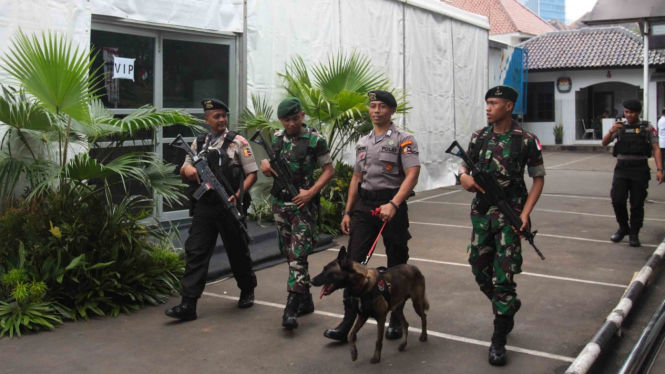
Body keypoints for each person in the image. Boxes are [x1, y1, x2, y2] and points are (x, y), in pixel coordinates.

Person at [323, 90, 420, 343]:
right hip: (365, 208)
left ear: (392, 111)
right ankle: (347, 323)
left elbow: (412, 174)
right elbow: (357, 178)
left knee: (397, 264)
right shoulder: (363, 142)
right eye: (373, 106)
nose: (376, 110)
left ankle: (396, 318)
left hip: (392, 207)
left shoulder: (404, 139)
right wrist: (347, 211)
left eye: (382, 107)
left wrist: (395, 204)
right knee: (351, 264)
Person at [458, 85, 545, 366]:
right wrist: (463, 177)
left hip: (511, 216)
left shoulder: (526, 140)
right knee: (478, 267)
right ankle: (507, 305)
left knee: (504, 276)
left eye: (494, 103)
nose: (488, 108)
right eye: (487, 103)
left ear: (508, 106)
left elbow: (538, 178)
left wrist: (525, 214)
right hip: (482, 215)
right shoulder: (479, 137)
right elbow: (464, 166)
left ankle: (499, 336)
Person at [166, 98, 258, 321]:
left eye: (224, 115)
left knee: (237, 252)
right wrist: (187, 169)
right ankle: (188, 304)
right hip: (205, 207)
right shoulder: (199, 143)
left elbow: (252, 174)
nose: (222, 119)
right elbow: (184, 167)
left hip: (229, 205)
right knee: (196, 251)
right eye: (216, 116)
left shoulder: (238, 142)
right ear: (206, 120)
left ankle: (247, 289)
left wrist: (238, 195)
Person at [260, 97, 334, 330]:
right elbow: (274, 168)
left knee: (298, 256)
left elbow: (328, 171)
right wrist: (266, 166)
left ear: (302, 115)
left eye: (294, 118)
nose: (290, 124)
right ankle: (306, 301)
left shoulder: (315, 140)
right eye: (285, 120)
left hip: (303, 206)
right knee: (288, 253)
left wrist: (310, 193)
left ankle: (290, 309)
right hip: (281, 205)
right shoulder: (277, 139)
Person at [601, 99, 663, 247]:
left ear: (638, 113)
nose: (628, 115)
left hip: (640, 169)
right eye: (626, 112)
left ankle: (634, 234)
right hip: (622, 169)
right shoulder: (620, 127)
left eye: (632, 112)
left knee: (637, 203)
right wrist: (611, 131)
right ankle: (623, 228)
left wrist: (660, 169)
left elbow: (656, 148)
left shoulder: (647, 128)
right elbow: (604, 142)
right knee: (617, 200)